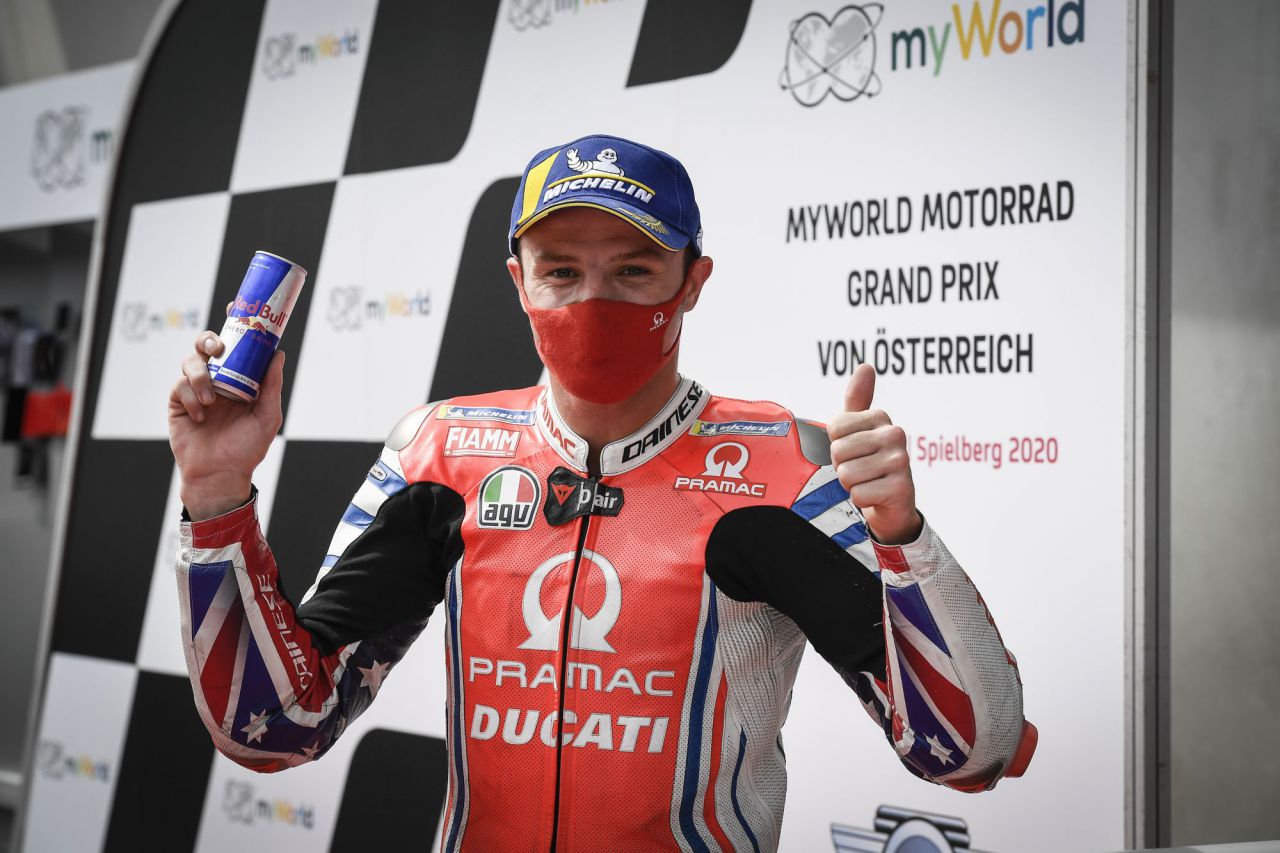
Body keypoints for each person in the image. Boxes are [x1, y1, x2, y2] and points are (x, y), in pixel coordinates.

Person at [168, 134, 1035, 852]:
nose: (593, 301)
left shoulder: (785, 471)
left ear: (693, 282)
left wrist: (904, 538)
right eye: (560, 271)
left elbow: (970, 748)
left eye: (632, 270)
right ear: (519, 282)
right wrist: (216, 493)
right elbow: (277, 722)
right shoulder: (438, 455)